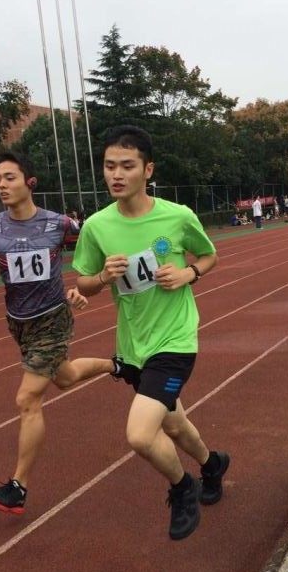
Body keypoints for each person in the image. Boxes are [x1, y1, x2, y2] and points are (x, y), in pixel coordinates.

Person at [72, 126, 230, 541]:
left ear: (148, 170)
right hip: (133, 347)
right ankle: (212, 465)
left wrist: (189, 273)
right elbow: (83, 281)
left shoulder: (178, 216)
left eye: (127, 166)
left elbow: (209, 255)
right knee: (174, 425)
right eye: (109, 166)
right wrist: (102, 278)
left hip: (175, 341)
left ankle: (182, 488)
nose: (116, 174)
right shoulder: (96, 226)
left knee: (141, 435)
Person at [0, 152, 118, 515]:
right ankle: (117, 365)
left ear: (30, 182)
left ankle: (17, 487)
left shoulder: (60, 224)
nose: (1, 185)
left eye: (9, 178)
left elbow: (94, 254)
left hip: (52, 318)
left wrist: (82, 288)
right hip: (17, 322)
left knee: (27, 398)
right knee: (64, 377)